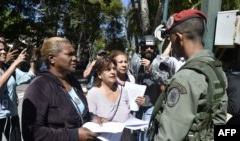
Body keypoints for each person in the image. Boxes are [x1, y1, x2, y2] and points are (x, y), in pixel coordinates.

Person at [147, 9, 228, 141]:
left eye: (170, 38)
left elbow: (169, 137)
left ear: (178, 38)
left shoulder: (185, 77)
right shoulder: (216, 69)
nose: (171, 44)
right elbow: (220, 119)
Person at [21, 37, 101, 141]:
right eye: (69, 54)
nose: (75, 58)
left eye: (74, 54)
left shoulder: (73, 81)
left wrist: (92, 118)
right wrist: (74, 135)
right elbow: (32, 132)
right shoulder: (39, 86)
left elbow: (78, 112)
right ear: (52, 58)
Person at [0, 37, 35, 141]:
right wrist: (15, 63)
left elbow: (30, 76)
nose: (4, 52)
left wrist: (32, 60)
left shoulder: (8, 68)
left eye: (4, 49)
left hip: (11, 115)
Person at [86, 56, 131, 141]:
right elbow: (90, 119)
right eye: (108, 69)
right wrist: (97, 119)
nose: (113, 72)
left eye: (114, 69)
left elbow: (128, 115)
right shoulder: (93, 93)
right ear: (99, 74)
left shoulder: (123, 91)